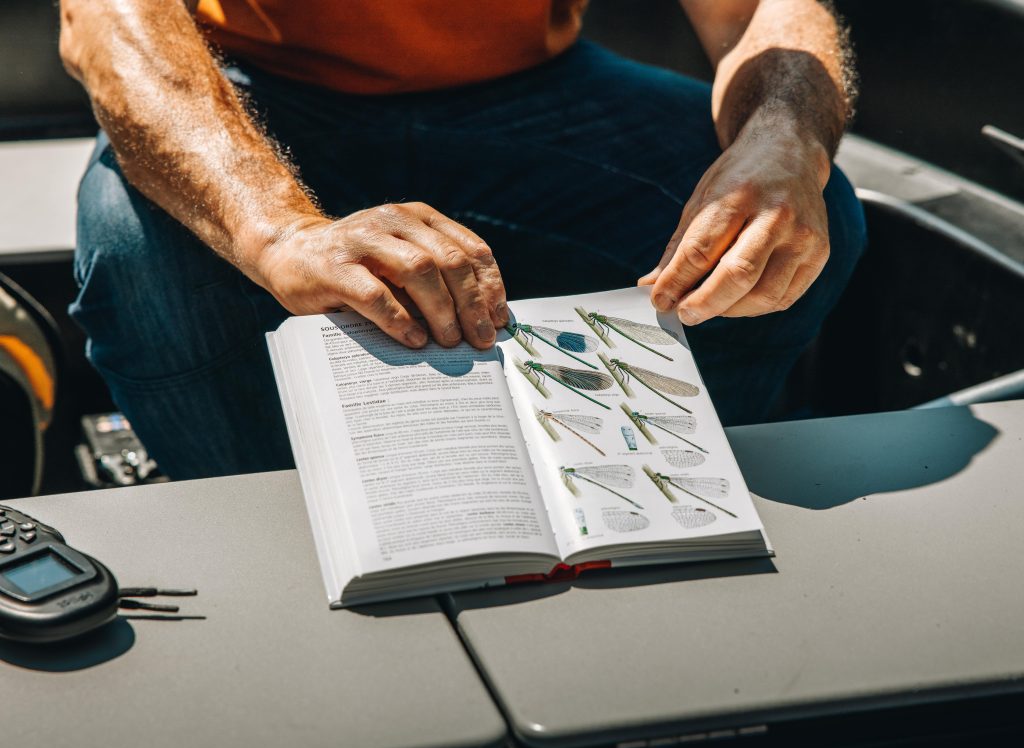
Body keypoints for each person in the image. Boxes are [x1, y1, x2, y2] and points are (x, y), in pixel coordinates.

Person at [60, 0, 866, 480]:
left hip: (538, 93)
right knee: (136, 258)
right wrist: (279, 233)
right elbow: (111, 20)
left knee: (793, 210)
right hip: (256, 90)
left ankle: (645, 505)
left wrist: (787, 136)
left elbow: (755, 11)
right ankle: (269, 524)